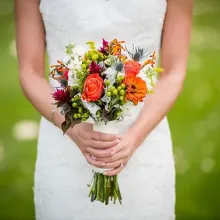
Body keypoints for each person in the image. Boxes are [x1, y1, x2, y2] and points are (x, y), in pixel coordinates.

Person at [14, 0, 193, 219]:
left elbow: (174, 71)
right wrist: (73, 128)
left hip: (144, 141)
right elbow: (29, 72)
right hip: (64, 139)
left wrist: (135, 137)